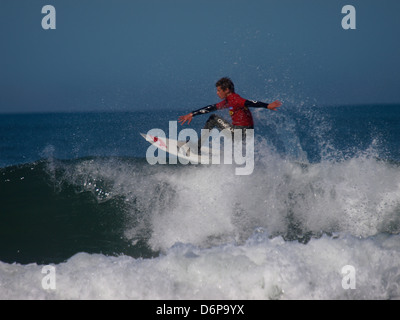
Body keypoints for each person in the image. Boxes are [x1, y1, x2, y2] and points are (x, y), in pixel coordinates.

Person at [178, 77, 282, 152]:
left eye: (219, 91)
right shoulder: (229, 100)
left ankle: (197, 147)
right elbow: (211, 107)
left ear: (226, 90)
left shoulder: (235, 99)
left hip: (240, 132)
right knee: (214, 116)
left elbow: (250, 102)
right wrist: (192, 114)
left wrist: (267, 106)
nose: (217, 93)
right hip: (244, 132)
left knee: (213, 118)